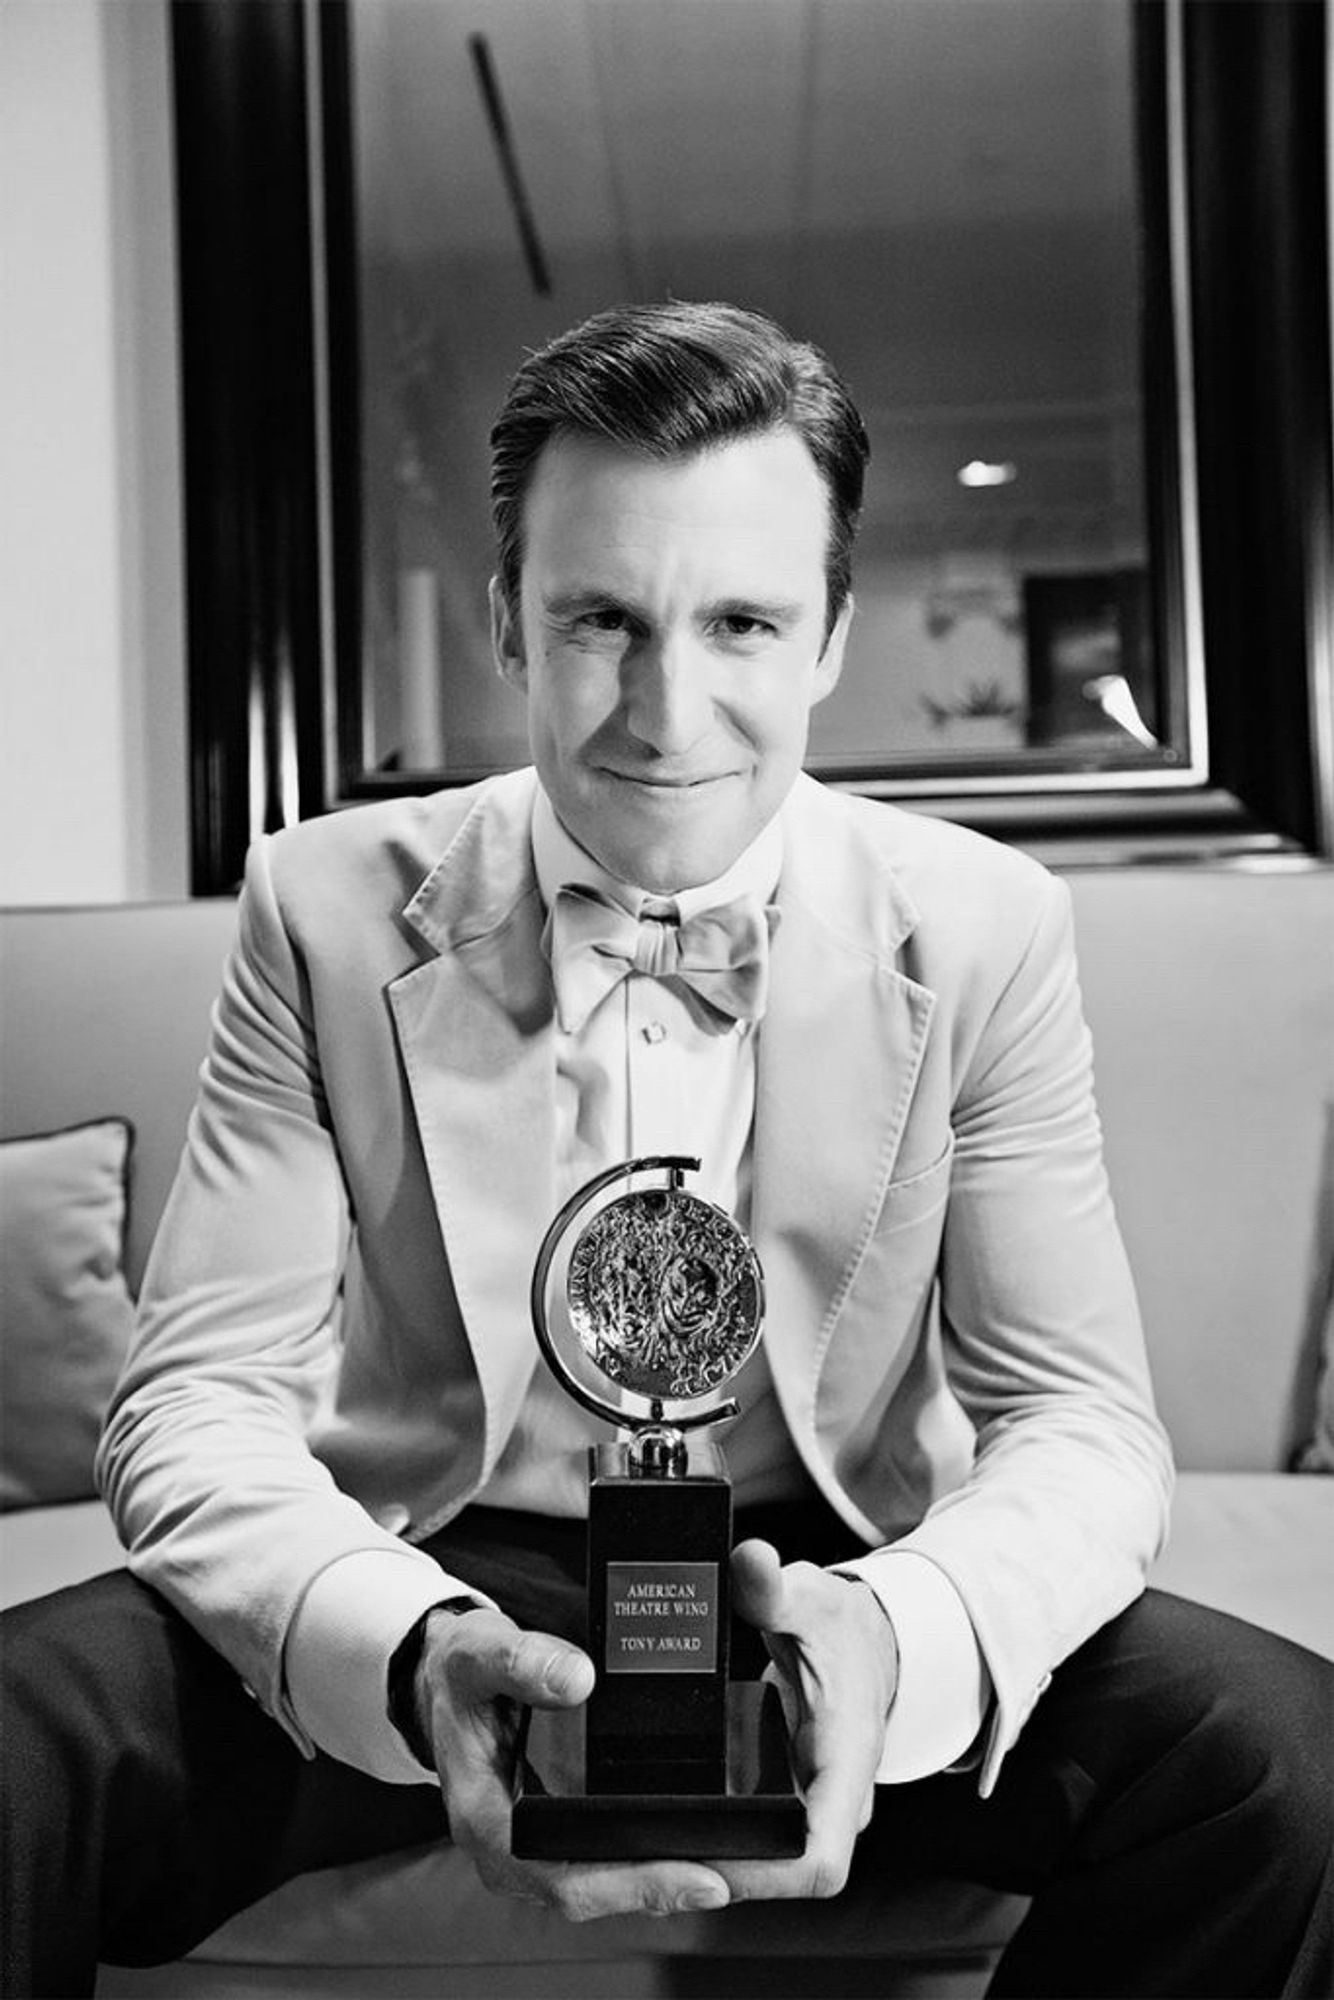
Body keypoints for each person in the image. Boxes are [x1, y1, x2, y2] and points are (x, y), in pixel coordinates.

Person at [3, 301, 1330, 1999]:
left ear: (832, 634)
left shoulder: (985, 925)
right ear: (507, 622)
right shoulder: (322, 908)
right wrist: (404, 1648)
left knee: (1287, 1767)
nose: (667, 706)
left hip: (827, 1565)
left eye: (744, 623)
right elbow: (192, 1398)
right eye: (600, 621)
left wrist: (891, 1639)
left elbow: (1078, 1420)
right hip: (432, 1551)